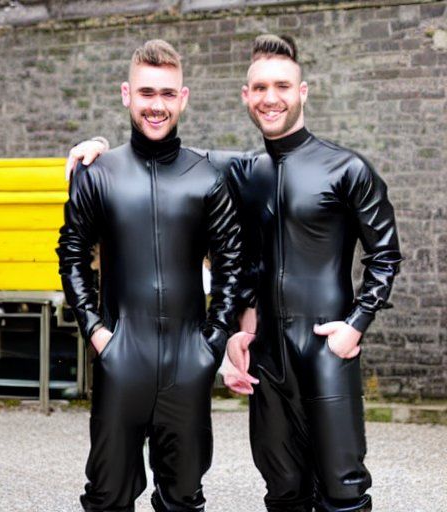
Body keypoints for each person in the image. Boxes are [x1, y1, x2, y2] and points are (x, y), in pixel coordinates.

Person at [66, 35, 402, 512]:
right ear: (246, 96)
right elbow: (163, 155)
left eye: (281, 86)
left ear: (303, 91)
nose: (270, 98)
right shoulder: (243, 170)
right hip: (267, 356)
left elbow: (386, 255)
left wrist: (356, 325)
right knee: (283, 490)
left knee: (343, 490)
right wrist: (97, 147)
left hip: (327, 345)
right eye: (260, 87)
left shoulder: (347, 168)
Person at [57, 39, 244, 512]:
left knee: (183, 498)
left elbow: (230, 261)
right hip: (122, 356)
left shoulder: (207, 176)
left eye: (167, 94)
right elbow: (72, 255)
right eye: (146, 93)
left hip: (189, 359)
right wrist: (96, 332)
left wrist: (213, 341)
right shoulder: (99, 173)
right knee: (108, 496)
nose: (156, 105)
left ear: (183, 98)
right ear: (127, 94)